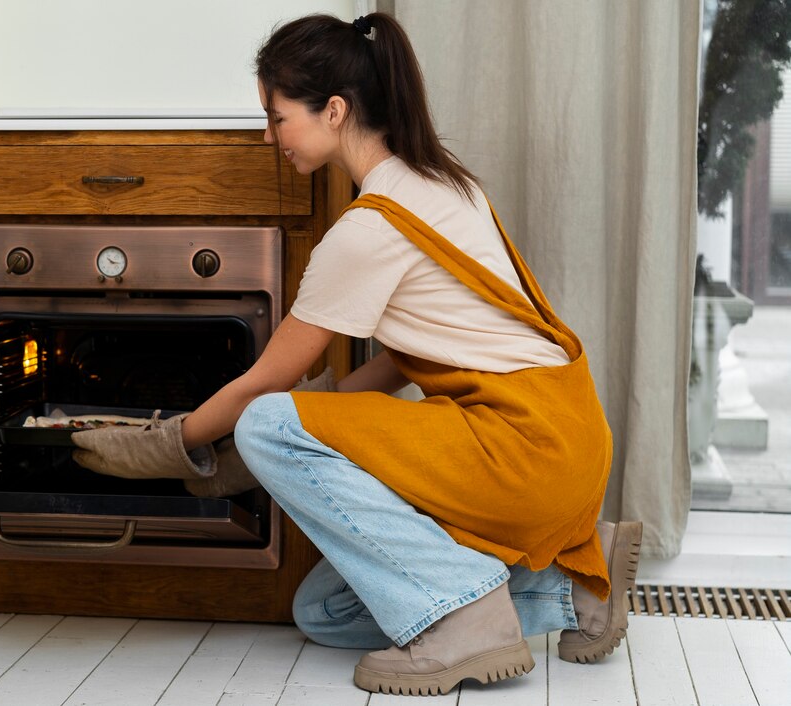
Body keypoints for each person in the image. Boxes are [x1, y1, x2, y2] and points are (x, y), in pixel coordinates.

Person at [70, 12, 643, 697]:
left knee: (265, 423)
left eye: (276, 117)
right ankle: (570, 591)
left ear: (333, 110)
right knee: (326, 613)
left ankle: (467, 619)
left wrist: (164, 445)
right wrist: (332, 411)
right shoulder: (442, 186)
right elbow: (413, 354)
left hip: (519, 447)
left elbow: (267, 382)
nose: (267, 135)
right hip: (564, 437)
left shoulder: (368, 230)